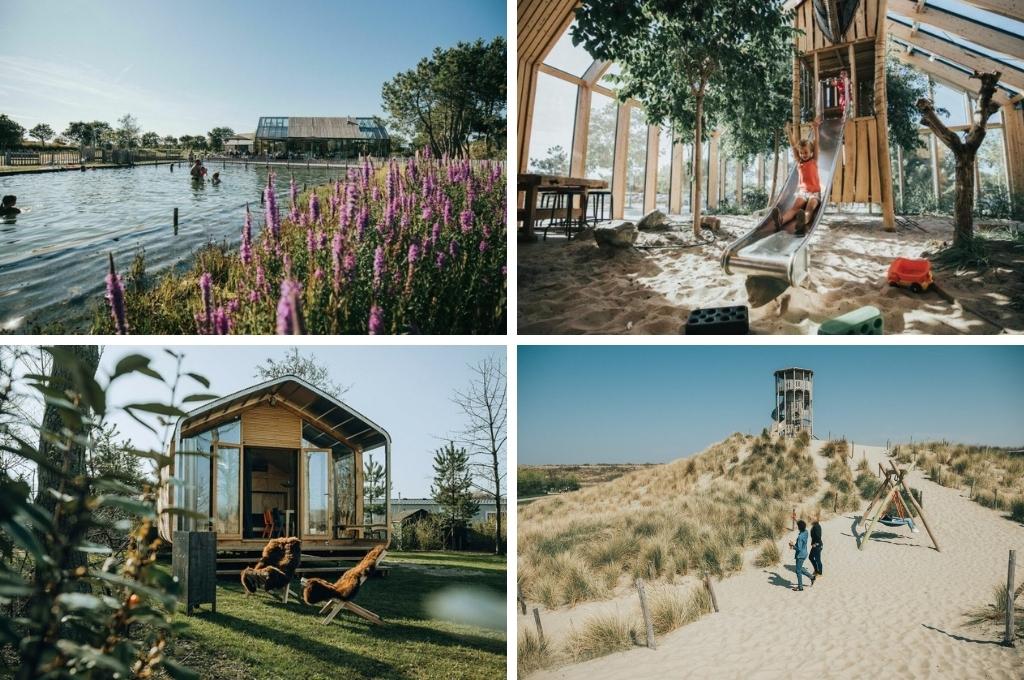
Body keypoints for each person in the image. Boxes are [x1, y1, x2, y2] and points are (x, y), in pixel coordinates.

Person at [769, 118, 822, 236]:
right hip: (803, 192)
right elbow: (793, 146)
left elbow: (816, 143)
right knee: (794, 208)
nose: (803, 155)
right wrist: (789, 131)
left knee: (810, 209)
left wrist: (816, 128)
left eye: (806, 152)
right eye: (802, 153)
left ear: (811, 152)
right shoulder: (799, 162)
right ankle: (780, 221)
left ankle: (803, 221)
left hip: (814, 192)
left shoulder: (814, 160)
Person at [789, 519, 815, 591]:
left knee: (798, 571)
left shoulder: (800, 537)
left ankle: (800, 587)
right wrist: (795, 519)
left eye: (798, 526)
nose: (797, 527)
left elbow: (799, 548)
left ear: (799, 527)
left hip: (800, 555)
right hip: (805, 553)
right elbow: (802, 525)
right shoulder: (806, 532)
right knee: (800, 568)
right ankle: (812, 577)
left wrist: (792, 546)